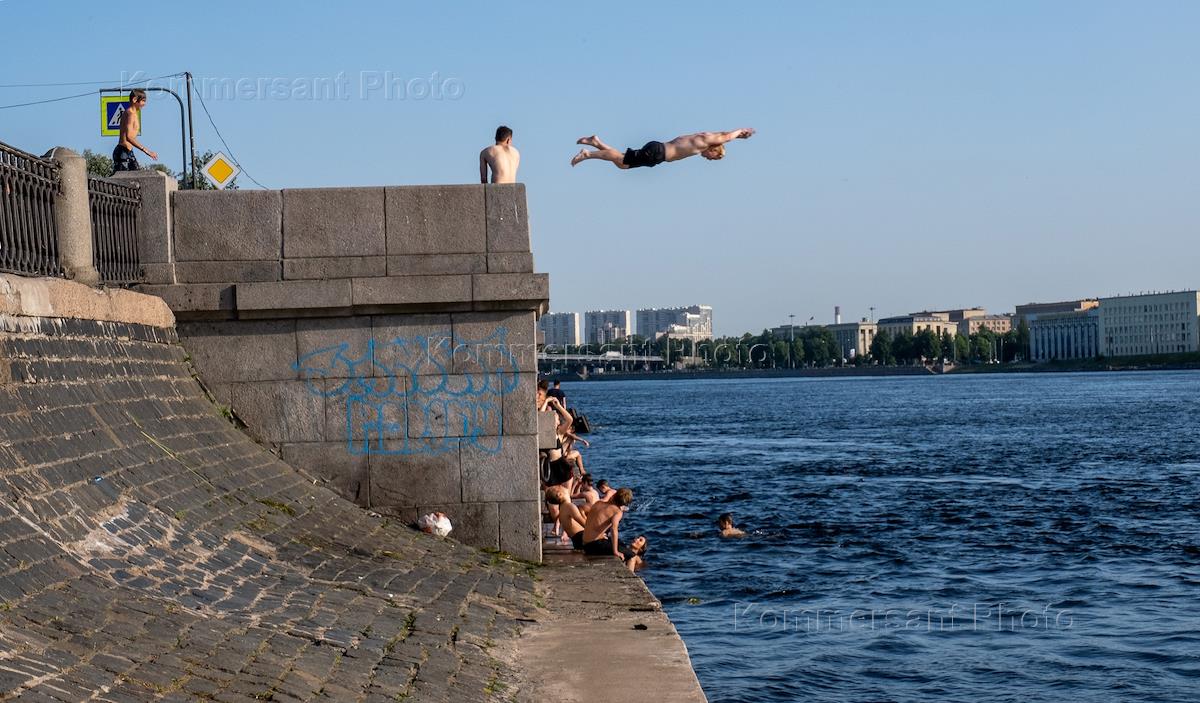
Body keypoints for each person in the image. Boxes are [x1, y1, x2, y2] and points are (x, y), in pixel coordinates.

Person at [570, 128, 754, 169]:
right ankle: (588, 154)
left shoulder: (700, 139)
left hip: (657, 154)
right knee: (620, 160)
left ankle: (596, 142)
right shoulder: (704, 141)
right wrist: (740, 133)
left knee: (622, 164)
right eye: (710, 157)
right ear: (715, 149)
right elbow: (726, 136)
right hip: (658, 152)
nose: (706, 158)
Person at [112, 89, 157, 173]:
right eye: (143, 101)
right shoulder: (130, 114)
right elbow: (129, 137)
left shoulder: (133, 114)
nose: (144, 104)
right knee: (124, 182)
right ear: (134, 100)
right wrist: (147, 151)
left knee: (137, 179)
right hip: (123, 152)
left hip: (128, 152)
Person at [581, 487, 633, 558]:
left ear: (614, 495)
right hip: (593, 545)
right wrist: (615, 551)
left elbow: (593, 522)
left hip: (585, 543)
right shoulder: (617, 512)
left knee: (621, 544)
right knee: (631, 554)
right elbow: (614, 530)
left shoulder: (598, 502)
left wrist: (601, 535)